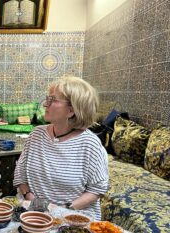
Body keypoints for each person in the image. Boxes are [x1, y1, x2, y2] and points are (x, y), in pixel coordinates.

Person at [13, 76, 109, 220]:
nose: (45, 104)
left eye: (53, 100)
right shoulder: (36, 134)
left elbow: (97, 189)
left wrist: (62, 211)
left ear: (71, 111)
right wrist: (32, 200)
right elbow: (20, 175)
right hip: (31, 213)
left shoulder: (90, 144)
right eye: (47, 98)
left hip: (73, 219)